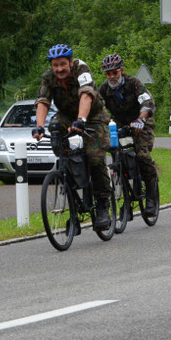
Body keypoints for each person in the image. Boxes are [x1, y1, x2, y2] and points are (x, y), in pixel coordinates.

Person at [32, 44, 112, 231]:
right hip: (66, 116)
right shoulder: (48, 77)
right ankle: (74, 209)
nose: (59, 69)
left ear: (70, 62)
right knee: (65, 158)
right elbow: (43, 102)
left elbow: (86, 95)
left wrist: (81, 120)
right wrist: (39, 127)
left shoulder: (81, 69)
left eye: (62, 64)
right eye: (55, 65)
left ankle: (102, 205)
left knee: (94, 158)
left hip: (92, 117)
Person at [98, 53, 159, 217]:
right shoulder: (103, 89)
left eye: (114, 72)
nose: (111, 76)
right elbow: (96, 108)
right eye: (108, 73)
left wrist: (140, 119)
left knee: (142, 155)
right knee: (115, 154)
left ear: (121, 70)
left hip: (141, 123)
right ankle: (125, 196)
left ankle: (152, 196)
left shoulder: (134, 83)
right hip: (119, 123)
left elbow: (147, 102)